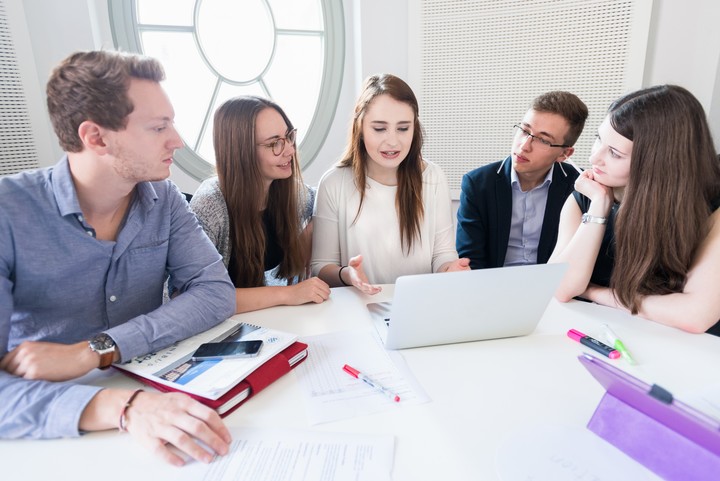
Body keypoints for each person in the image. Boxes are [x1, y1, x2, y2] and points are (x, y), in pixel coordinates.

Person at [0, 50, 237, 465]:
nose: (177, 140)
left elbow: (216, 291)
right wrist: (124, 408)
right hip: (50, 434)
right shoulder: (9, 214)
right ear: (96, 137)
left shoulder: (163, 198)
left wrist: (97, 349)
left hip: (159, 402)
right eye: (158, 127)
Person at [549, 85, 720, 335]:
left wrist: (595, 292)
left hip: (685, 350)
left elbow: (694, 316)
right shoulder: (588, 196)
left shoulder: (711, 207)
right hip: (607, 334)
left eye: (615, 154)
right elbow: (559, 287)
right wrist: (599, 206)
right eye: (598, 138)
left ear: (657, 164)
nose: (594, 158)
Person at [311, 73, 469, 294]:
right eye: (379, 128)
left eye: (403, 128)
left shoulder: (432, 178)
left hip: (420, 303)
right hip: (359, 306)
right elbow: (319, 267)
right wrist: (348, 274)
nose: (393, 141)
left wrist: (450, 270)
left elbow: (442, 255)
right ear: (361, 129)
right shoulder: (334, 183)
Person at [189, 96, 330, 313]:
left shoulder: (287, 191)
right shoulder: (210, 205)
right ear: (241, 152)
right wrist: (289, 294)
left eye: (289, 137)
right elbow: (197, 297)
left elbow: (328, 201)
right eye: (275, 143)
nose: (290, 150)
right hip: (218, 331)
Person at [456, 91, 588, 269]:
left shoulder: (581, 187)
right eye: (524, 130)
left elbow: (584, 259)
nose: (524, 146)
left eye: (543, 140)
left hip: (554, 288)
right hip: (492, 285)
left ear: (564, 153)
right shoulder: (478, 184)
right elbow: (471, 260)